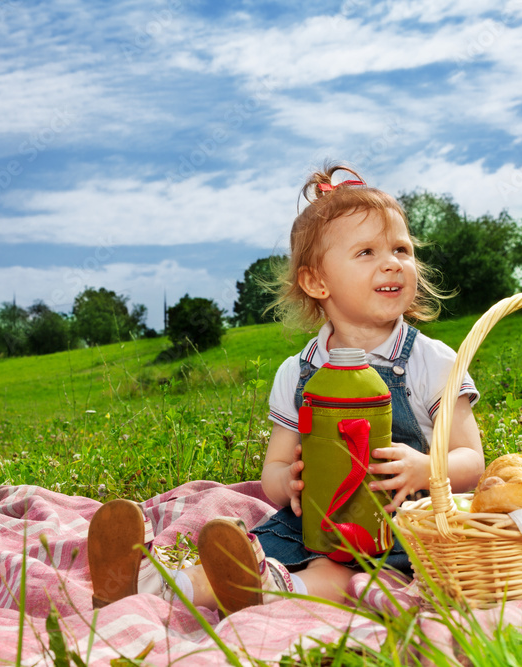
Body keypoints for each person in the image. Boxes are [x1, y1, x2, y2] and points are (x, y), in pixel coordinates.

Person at [88, 164, 484, 614]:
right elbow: (274, 470)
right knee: (252, 549)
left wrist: (422, 465)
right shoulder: (299, 373)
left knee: (346, 578)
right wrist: (289, 483)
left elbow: (473, 460)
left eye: (401, 249)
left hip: (405, 527)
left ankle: (265, 592)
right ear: (317, 282)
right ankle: (142, 584)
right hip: (313, 519)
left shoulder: (431, 361)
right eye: (367, 252)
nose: (392, 262)